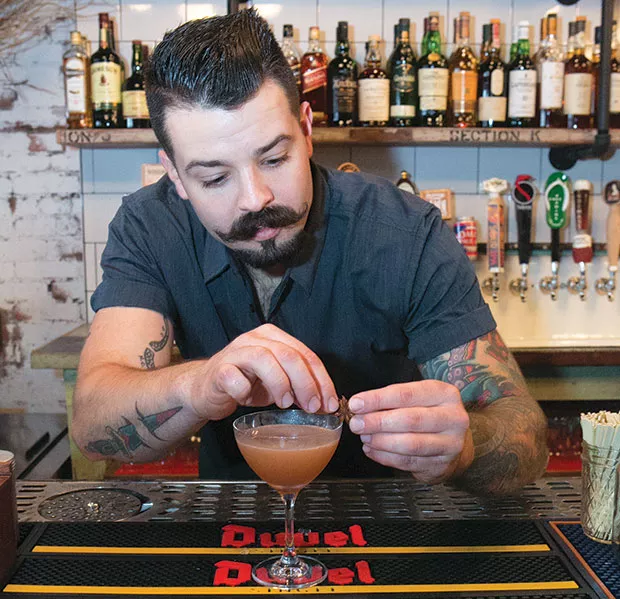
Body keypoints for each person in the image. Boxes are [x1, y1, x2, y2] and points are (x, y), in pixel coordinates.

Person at [72, 10, 548, 495]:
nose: (255, 198)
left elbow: (526, 438)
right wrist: (200, 385)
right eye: (214, 178)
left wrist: (468, 444)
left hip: (388, 514)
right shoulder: (151, 226)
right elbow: (92, 425)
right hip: (231, 515)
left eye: (275, 158)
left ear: (306, 129)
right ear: (174, 173)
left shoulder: (406, 232)